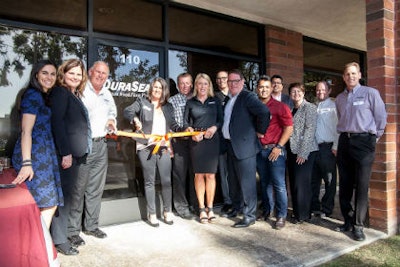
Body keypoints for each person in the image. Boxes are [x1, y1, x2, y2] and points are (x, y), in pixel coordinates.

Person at [335, 62, 387, 241]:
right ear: (343, 77)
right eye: (347, 74)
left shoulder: (370, 93)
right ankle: (348, 221)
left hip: (364, 142)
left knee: (362, 186)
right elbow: (341, 118)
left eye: (353, 73)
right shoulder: (340, 98)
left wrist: (373, 139)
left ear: (359, 75)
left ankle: (358, 226)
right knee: (345, 184)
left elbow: (381, 118)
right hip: (344, 141)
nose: (351, 76)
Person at [11, 59, 63, 229]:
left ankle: (39, 247)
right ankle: (40, 247)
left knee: (46, 203)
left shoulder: (42, 96)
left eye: (53, 74)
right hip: (33, 155)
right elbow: (26, 131)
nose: (49, 77)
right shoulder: (33, 94)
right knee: (47, 203)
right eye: (44, 73)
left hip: (43, 154)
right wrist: (27, 163)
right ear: (36, 75)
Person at [68, 61, 117, 240]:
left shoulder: (107, 93)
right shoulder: (80, 90)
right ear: (90, 72)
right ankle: (72, 231)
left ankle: (91, 226)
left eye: (104, 73)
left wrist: (111, 120)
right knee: (78, 188)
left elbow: (112, 112)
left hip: (101, 145)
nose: (101, 76)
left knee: (95, 189)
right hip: (82, 145)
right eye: (98, 72)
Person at [124, 77, 180, 227]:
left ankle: (167, 211)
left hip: (163, 147)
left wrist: (183, 130)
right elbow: (128, 111)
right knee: (149, 181)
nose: (157, 90)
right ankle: (152, 213)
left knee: (166, 181)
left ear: (164, 91)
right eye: (155, 87)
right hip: (146, 147)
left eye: (160, 88)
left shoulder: (168, 107)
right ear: (151, 88)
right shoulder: (142, 102)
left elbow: (173, 124)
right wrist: (135, 119)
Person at [50, 59, 91, 255]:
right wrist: (65, 152)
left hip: (78, 154)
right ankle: (59, 240)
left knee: (70, 196)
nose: (75, 77)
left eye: (78, 74)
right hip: (68, 155)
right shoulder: (60, 92)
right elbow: (56, 122)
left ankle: (62, 235)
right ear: (63, 74)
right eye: (71, 73)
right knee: (64, 198)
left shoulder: (74, 95)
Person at [222, 69, 270, 228]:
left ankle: (249, 215)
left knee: (247, 184)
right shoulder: (230, 99)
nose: (232, 84)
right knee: (234, 182)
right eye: (230, 81)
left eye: (236, 81)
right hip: (231, 146)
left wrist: (260, 132)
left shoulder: (247, 96)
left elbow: (264, 112)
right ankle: (237, 208)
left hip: (245, 148)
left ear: (242, 82)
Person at [183, 73, 223, 224]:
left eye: (205, 84)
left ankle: (210, 208)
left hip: (212, 140)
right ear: (196, 86)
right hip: (197, 141)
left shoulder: (215, 101)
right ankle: (201, 208)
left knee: (211, 175)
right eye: (199, 83)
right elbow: (186, 122)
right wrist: (192, 134)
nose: (202, 86)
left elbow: (221, 120)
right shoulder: (190, 102)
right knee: (199, 175)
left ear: (209, 86)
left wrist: (214, 128)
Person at [256, 76, 293, 230]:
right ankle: (267, 211)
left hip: (275, 151)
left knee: (279, 185)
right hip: (260, 151)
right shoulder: (254, 106)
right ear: (257, 89)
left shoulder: (280, 106)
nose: (263, 89)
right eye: (261, 87)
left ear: (271, 89)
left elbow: (289, 128)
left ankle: (281, 215)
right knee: (265, 183)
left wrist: (279, 146)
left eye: (266, 87)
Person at [287, 82, 318, 224]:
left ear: (303, 93)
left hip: (305, 152)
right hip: (291, 151)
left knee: (302, 183)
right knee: (294, 182)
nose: (296, 94)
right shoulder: (290, 109)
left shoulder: (310, 108)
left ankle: (304, 214)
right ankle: (297, 211)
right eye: (293, 92)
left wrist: (303, 153)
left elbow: (309, 131)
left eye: (299, 91)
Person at [168, 73, 195, 219]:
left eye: (187, 83)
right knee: (179, 175)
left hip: (196, 143)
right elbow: (170, 124)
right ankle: (181, 207)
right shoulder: (171, 101)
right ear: (178, 85)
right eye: (182, 83)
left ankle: (194, 204)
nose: (185, 86)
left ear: (192, 84)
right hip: (179, 142)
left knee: (194, 174)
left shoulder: (197, 100)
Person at [311, 81, 339, 218]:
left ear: (329, 91)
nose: (320, 92)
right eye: (317, 90)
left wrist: (335, 146)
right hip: (314, 148)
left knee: (329, 180)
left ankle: (327, 208)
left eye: (323, 90)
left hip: (328, 148)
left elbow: (339, 127)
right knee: (314, 179)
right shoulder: (313, 107)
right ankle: (314, 206)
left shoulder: (334, 107)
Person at [215, 70, 232, 214]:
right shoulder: (214, 97)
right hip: (220, 142)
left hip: (235, 142)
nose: (221, 81)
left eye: (224, 78)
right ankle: (228, 201)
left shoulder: (235, 95)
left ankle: (240, 200)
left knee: (237, 173)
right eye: (219, 79)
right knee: (224, 173)